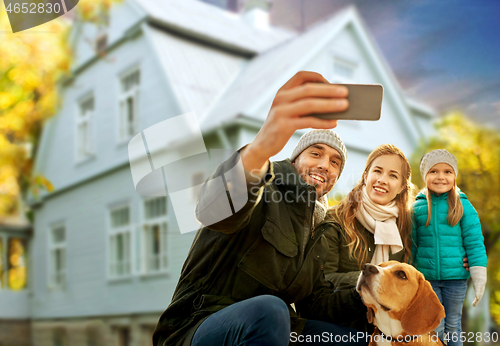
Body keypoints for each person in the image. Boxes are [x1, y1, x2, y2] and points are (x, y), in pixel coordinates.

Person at [152, 71, 369, 346]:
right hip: (197, 325)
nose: (325, 165)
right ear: (294, 159)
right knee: (270, 310)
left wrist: (369, 292)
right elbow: (212, 210)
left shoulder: (320, 228)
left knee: (356, 341)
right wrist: (261, 147)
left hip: (276, 329)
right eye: (316, 153)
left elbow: (315, 304)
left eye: (335, 162)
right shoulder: (262, 185)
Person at [322, 144, 414, 331]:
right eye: (377, 171)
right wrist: (372, 279)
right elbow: (324, 279)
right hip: (340, 326)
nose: (382, 180)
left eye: (393, 175)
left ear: (402, 187)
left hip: (388, 329)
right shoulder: (335, 219)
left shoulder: (406, 228)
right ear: (365, 176)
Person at [411, 149, 487, 346]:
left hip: (456, 280)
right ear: (425, 175)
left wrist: (478, 276)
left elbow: (475, 242)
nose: (441, 177)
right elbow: (410, 244)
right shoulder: (417, 208)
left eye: (447, 172)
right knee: (435, 326)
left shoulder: (463, 206)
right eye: (434, 171)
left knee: (453, 325)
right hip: (427, 280)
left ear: (454, 176)